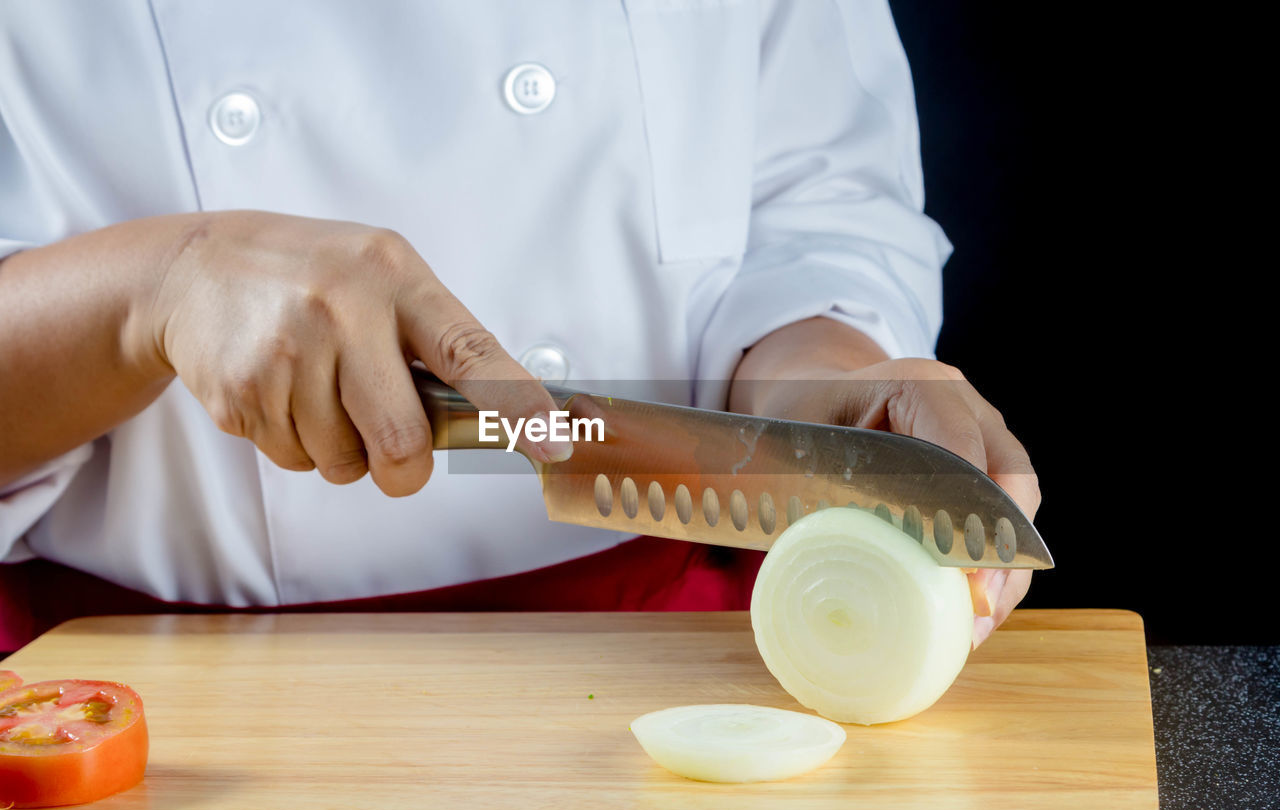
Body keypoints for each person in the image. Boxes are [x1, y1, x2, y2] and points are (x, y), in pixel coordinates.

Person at [0, 0, 1038, 650]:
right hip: (138, 703)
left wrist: (822, 372)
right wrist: (150, 291)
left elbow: (809, 200)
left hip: (674, 665)